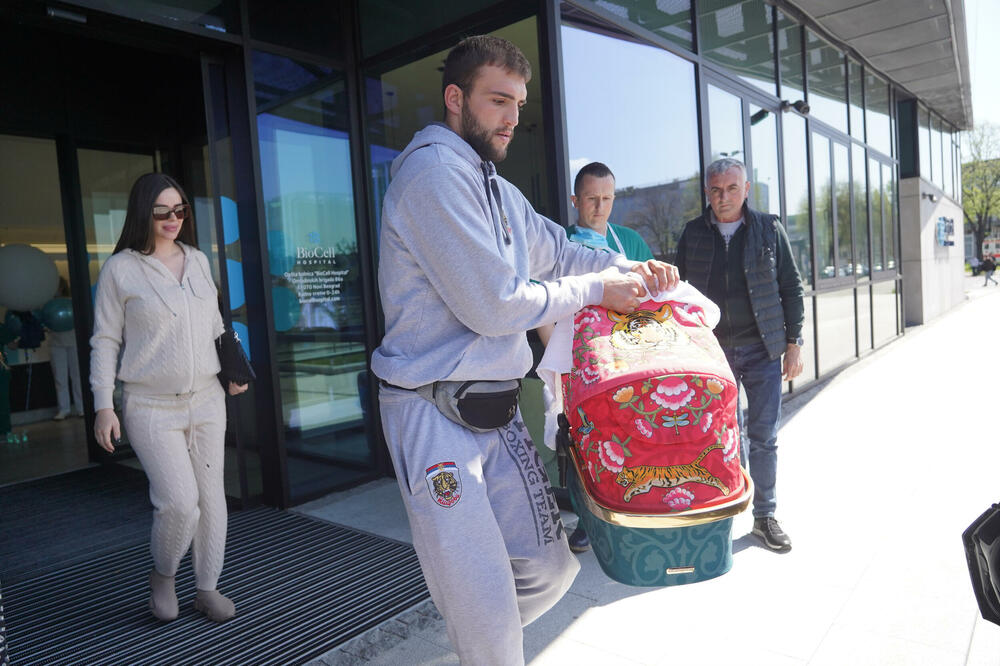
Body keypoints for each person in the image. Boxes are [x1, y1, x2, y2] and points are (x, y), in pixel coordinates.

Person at [372, 36, 678, 664]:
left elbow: (562, 251)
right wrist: (598, 288)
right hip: (433, 417)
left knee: (550, 572)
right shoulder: (431, 176)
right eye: (498, 99)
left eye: (519, 102)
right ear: (456, 99)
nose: (513, 116)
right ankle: (485, 643)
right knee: (487, 621)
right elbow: (495, 305)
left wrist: (634, 270)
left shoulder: (499, 191)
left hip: (498, 410)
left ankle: (482, 644)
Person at [90, 173, 247, 623]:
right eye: (162, 211)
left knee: (212, 499)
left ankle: (206, 587)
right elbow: (104, 341)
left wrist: (233, 369)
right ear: (144, 212)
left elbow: (217, 323)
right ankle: (163, 575)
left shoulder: (197, 260)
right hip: (150, 406)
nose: (173, 219)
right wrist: (104, 404)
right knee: (180, 502)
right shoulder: (121, 269)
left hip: (207, 400)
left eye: (180, 210)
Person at [674, 157, 804, 553]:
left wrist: (794, 343)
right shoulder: (693, 233)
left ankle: (764, 515)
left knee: (763, 436)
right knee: (721, 437)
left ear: (746, 189)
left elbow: (791, 286)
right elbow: (678, 293)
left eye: (732, 188)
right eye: (715, 190)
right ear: (707, 193)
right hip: (713, 353)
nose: (723, 196)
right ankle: (729, 507)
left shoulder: (768, 228)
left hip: (763, 349)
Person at [562, 161, 655, 554]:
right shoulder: (559, 243)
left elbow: (653, 298)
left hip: (626, 358)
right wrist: (565, 366)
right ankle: (587, 523)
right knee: (580, 442)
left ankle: (630, 511)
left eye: (606, 199)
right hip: (578, 358)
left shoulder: (629, 242)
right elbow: (545, 310)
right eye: (591, 199)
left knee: (627, 437)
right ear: (575, 200)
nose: (599, 208)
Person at [47, 278, 83, 420]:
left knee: (77, 376)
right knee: (60, 378)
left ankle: (81, 408)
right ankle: (64, 409)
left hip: (73, 341)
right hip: (56, 343)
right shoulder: (48, 304)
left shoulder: (71, 301)